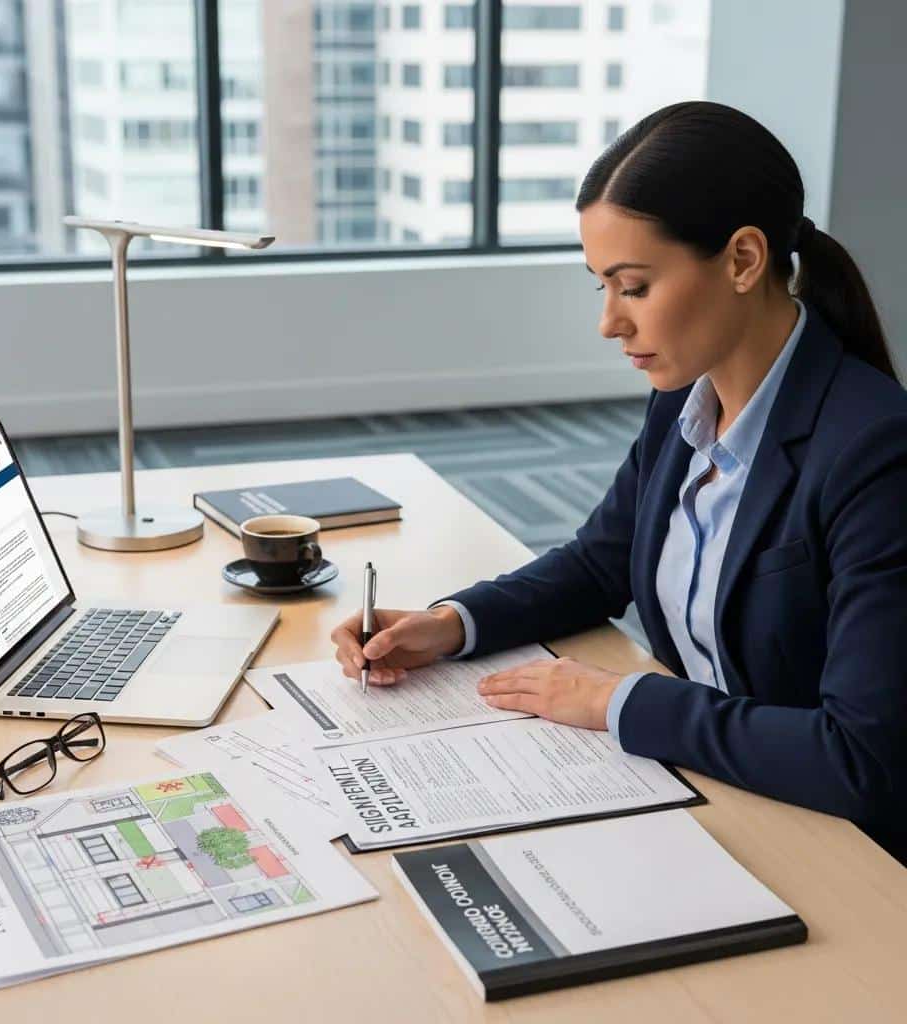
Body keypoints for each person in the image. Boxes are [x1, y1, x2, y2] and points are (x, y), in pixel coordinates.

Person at [331, 101, 907, 865]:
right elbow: (606, 558)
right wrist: (454, 623)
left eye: (633, 287)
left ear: (742, 260)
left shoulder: (874, 451)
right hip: (716, 790)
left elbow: (861, 759)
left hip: (840, 846)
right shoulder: (684, 398)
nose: (609, 322)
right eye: (600, 286)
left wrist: (619, 701)